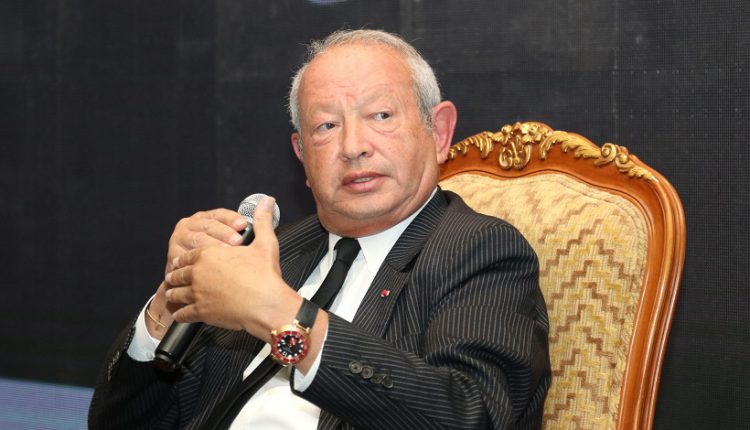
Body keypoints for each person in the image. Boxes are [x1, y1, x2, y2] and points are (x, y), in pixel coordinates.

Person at [89, 29, 551, 429]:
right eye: (326, 126)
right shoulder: (274, 254)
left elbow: (470, 414)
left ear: (439, 132)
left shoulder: (479, 251)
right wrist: (168, 305)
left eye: (381, 116)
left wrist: (279, 314)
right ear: (302, 156)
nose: (353, 146)